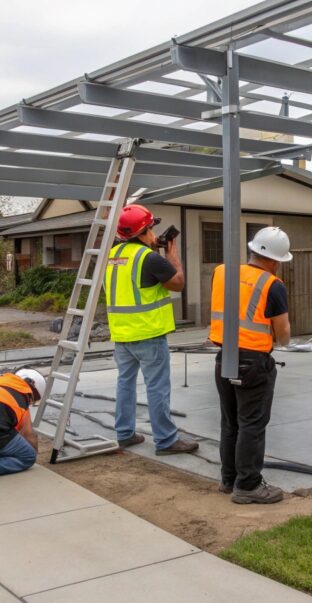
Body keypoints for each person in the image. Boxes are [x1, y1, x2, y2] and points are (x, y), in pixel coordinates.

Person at [104, 205, 198, 456]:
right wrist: (172, 252)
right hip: (148, 334)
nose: (155, 233)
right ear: (144, 231)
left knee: (125, 384)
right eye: (151, 228)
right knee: (157, 387)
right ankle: (166, 440)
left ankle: (124, 433)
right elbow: (178, 283)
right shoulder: (149, 258)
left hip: (122, 334)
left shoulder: (113, 254)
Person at [210, 226, 292, 504]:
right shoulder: (272, 285)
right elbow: (282, 333)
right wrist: (279, 339)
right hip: (254, 362)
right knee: (252, 424)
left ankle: (229, 479)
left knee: (230, 423)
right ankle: (248, 486)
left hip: (225, 357)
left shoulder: (222, 272)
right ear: (275, 260)